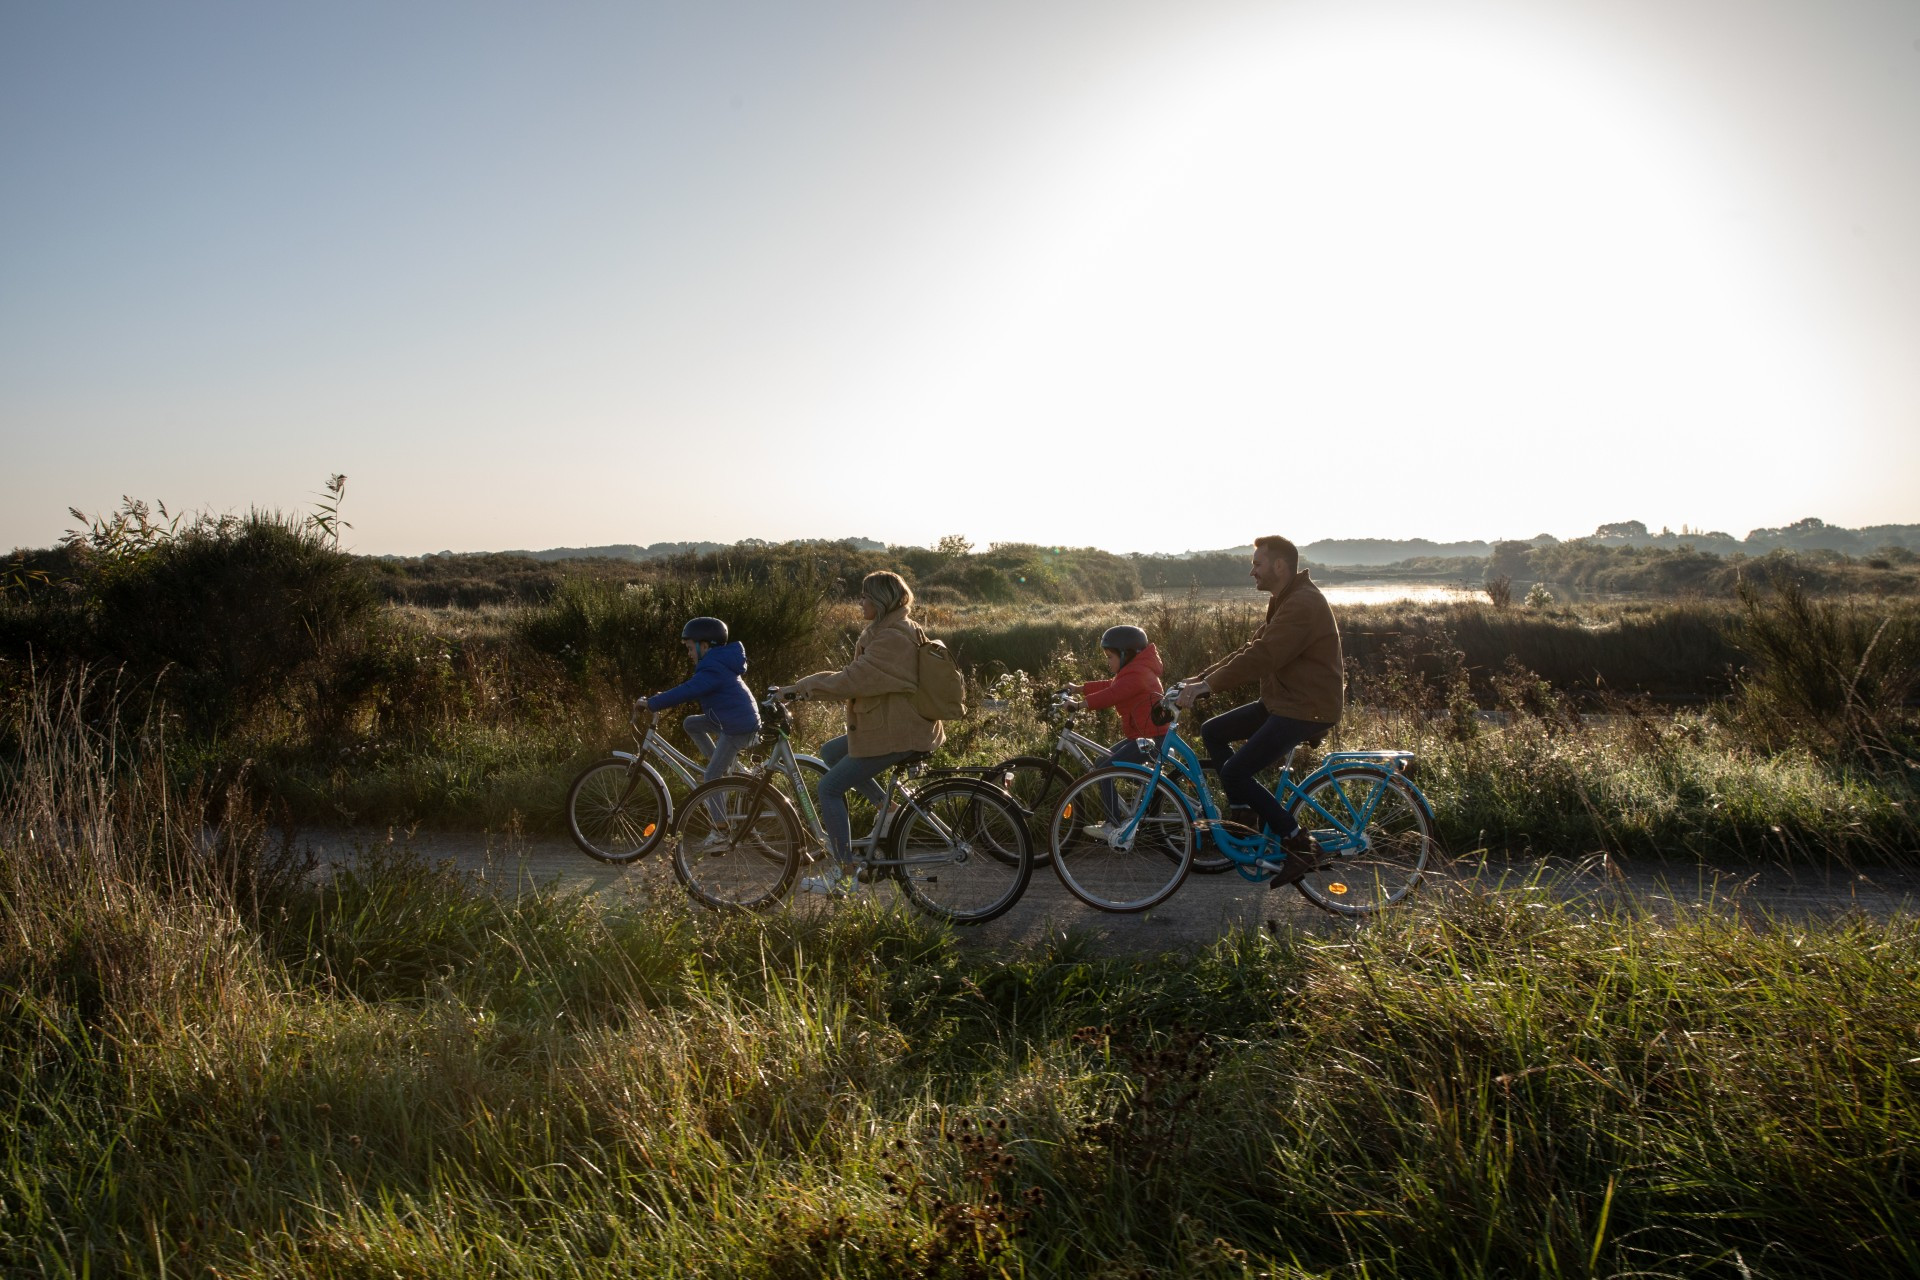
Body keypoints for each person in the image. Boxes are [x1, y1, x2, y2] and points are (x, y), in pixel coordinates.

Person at [1175, 535, 1344, 883]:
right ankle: (1243, 814)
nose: (1252, 571)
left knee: (1235, 772)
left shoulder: (1302, 604)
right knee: (1212, 731)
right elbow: (1250, 650)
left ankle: (1299, 842)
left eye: (1257, 563)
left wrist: (1207, 687)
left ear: (1279, 566)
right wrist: (1200, 678)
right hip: (1284, 702)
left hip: (1304, 707)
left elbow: (1265, 657)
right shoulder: (1287, 600)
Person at [775, 571, 942, 897]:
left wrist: (800, 690)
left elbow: (852, 680)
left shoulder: (893, 637)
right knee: (832, 752)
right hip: (894, 725)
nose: (859, 601)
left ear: (881, 600)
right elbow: (854, 677)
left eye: (864, 596)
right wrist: (797, 689)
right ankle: (888, 809)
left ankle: (843, 872)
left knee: (829, 788)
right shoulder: (890, 630)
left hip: (900, 732)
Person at [1064, 625, 1166, 839]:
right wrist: (1080, 688)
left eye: (1110, 657)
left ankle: (1113, 822)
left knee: (1105, 769)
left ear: (1126, 654)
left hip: (1151, 739)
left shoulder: (1137, 674)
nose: (1108, 662)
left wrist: (1080, 705)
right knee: (1103, 763)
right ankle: (1152, 790)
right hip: (1142, 737)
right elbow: (1111, 684)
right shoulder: (1133, 670)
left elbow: (1112, 694)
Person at [637, 616, 762, 789]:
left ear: (704, 646)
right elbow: (690, 687)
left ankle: (719, 816)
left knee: (711, 778)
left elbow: (688, 690)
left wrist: (653, 703)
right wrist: (660, 697)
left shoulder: (713, 667)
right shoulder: (717, 663)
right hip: (734, 720)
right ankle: (718, 764)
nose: (688, 654)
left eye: (689, 648)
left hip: (737, 728)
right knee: (691, 723)